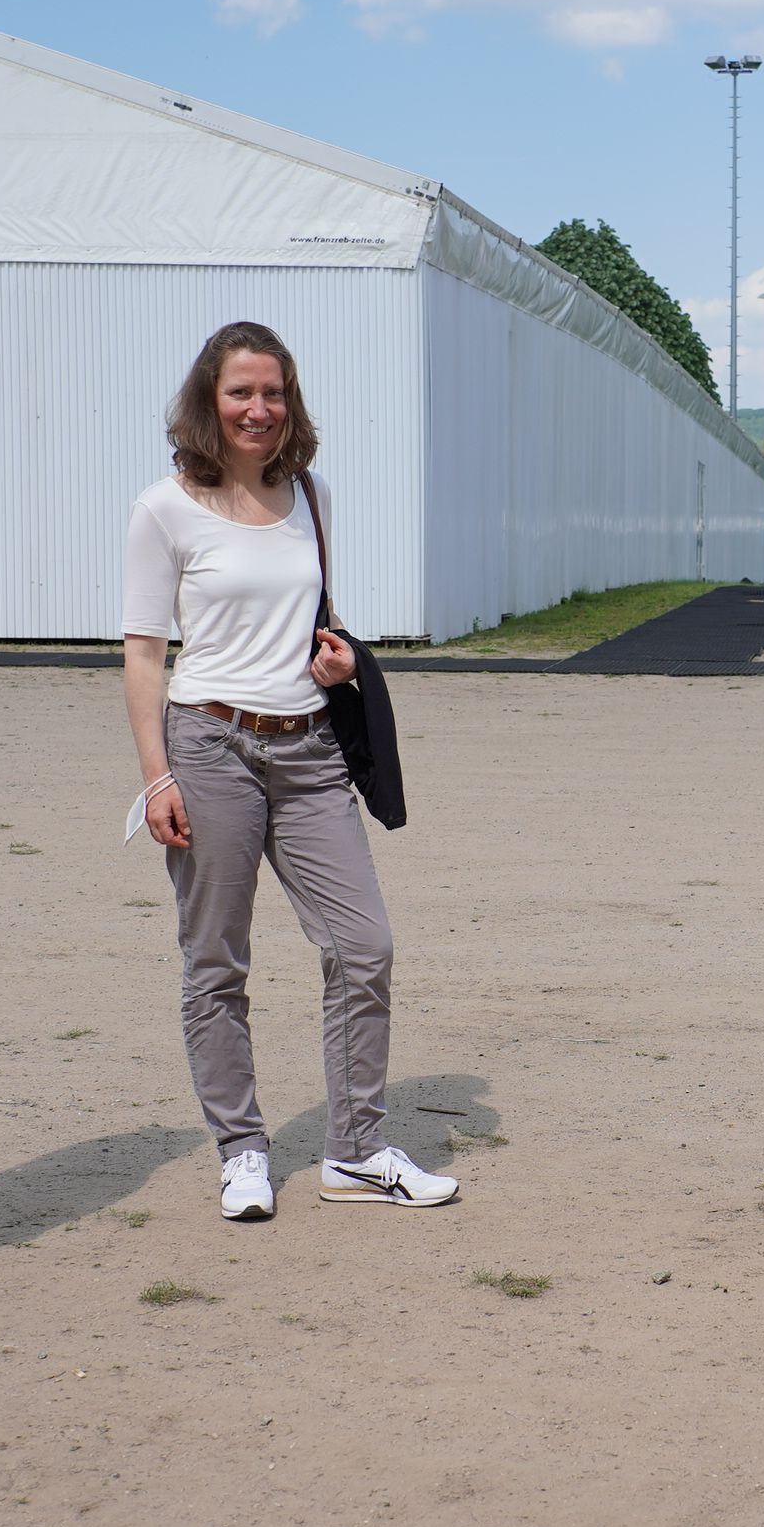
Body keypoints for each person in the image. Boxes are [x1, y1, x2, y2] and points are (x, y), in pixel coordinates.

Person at [121, 322, 454, 1221]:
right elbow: (145, 654)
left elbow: (315, 618)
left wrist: (339, 664)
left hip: (308, 751)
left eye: (272, 393)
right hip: (209, 743)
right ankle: (241, 1151)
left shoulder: (311, 494)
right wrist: (158, 777)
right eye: (240, 393)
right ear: (209, 401)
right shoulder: (165, 507)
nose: (258, 409)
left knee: (363, 945)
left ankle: (356, 1150)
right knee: (217, 960)